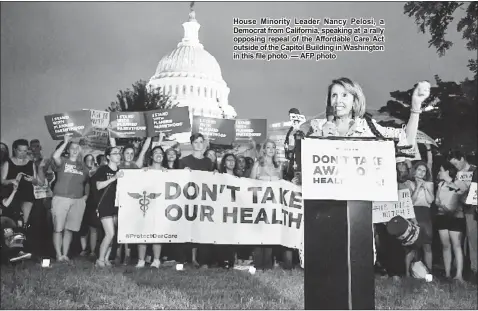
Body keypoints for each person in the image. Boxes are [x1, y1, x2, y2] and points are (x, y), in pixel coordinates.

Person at [110, 137, 151, 265]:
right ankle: (117, 255)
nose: (129, 155)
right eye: (127, 153)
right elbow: (113, 147)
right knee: (116, 229)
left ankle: (127, 256)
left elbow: (143, 150)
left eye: (132, 154)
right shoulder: (118, 165)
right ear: (122, 154)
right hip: (117, 201)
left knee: (127, 229)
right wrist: (110, 133)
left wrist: (150, 136)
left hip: (130, 202)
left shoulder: (135, 165)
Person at [50, 134, 90, 262]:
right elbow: (55, 156)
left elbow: (87, 183)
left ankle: (65, 254)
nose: (75, 150)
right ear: (68, 150)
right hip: (61, 198)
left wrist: (85, 197)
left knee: (69, 229)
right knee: (58, 228)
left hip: (77, 200)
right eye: (72, 148)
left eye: (77, 148)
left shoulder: (83, 167)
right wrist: (65, 142)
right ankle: (58, 254)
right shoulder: (63, 161)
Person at [178, 133, 214, 269]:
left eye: (201, 142)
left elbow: (211, 181)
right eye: (196, 142)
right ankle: (186, 260)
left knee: (203, 230)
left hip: (203, 200)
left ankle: (203, 260)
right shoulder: (183, 161)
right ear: (191, 144)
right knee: (187, 229)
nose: (198, 145)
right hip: (187, 200)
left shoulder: (208, 162)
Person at [250, 139, 285, 270]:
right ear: (264, 149)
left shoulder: (278, 165)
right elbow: (251, 183)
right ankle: (258, 263)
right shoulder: (257, 164)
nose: (271, 149)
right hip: (260, 204)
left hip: (274, 205)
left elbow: (281, 184)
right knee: (259, 233)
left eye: (273, 147)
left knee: (270, 233)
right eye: (268, 147)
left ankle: (268, 264)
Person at [435, 162, 467, 282]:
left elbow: (462, 196)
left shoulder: (459, 183)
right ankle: (448, 273)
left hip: (456, 217)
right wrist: (440, 204)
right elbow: (437, 200)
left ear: (448, 172)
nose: (439, 173)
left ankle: (459, 275)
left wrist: (450, 182)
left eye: (441, 170)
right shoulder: (440, 184)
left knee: (456, 245)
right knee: (445, 245)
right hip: (442, 216)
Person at [136, 146, 167, 269]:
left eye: (161, 153)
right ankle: (141, 260)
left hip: (160, 206)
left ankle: (156, 260)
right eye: (156, 153)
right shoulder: (144, 171)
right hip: (146, 205)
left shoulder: (168, 172)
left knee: (157, 233)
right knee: (143, 232)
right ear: (151, 156)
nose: (158, 155)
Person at [448, 150, 477, 281]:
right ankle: (472, 269)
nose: (456, 166)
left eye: (456, 163)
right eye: (453, 165)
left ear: (462, 158)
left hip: (473, 208)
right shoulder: (458, 174)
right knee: (468, 240)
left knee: (472, 239)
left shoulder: (474, 170)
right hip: (465, 210)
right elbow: (457, 192)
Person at [95, 147, 124, 267]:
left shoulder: (121, 170)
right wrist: (114, 178)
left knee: (114, 235)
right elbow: (98, 186)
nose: (118, 155)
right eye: (115, 153)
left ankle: (106, 258)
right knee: (109, 233)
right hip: (105, 205)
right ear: (108, 157)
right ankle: (100, 260)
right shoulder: (103, 169)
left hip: (117, 205)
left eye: (119, 153)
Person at [1, 139, 41, 225]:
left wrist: (32, 180)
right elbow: (2, 181)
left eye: (25, 151)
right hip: (11, 195)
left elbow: (37, 182)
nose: (23, 153)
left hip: (27, 195)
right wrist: (12, 181)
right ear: (14, 150)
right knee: (14, 221)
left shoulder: (31, 163)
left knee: (24, 221)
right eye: (20, 151)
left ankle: (23, 234)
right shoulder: (8, 163)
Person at [406, 161, 434, 273]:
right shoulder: (409, 183)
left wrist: (425, 187)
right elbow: (410, 201)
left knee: (427, 246)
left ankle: (429, 275)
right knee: (412, 246)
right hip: (414, 213)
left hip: (426, 214)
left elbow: (430, 200)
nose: (422, 173)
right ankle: (408, 273)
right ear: (414, 171)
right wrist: (417, 187)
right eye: (419, 170)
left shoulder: (429, 184)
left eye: (424, 171)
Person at [216, 153, 240, 268]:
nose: (231, 162)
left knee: (232, 236)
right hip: (222, 210)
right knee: (222, 235)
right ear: (224, 163)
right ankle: (221, 261)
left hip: (234, 210)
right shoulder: (218, 176)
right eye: (228, 160)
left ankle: (231, 260)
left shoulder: (239, 178)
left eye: (233, 160)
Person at [1, 183, 32, 263]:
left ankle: (18, 252)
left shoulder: (15, 203)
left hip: (7, 222)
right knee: (7, 224)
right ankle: (15, 253)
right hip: (4, 222)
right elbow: (5, 205)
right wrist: (14, 192)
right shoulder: (5, 201)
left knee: (16, 228)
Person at [79, 154, 99, 258]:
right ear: (84, 162)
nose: (90, 162)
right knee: (82, 228)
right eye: (88, 160)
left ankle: (92, 251)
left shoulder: (97, 173)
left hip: (93, 203)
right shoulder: (81, 173)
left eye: (92, 160)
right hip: (81, 201)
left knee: (93, 227)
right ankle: (84, 249)